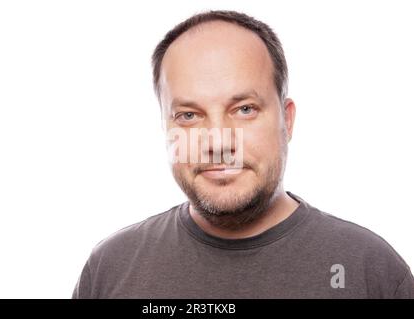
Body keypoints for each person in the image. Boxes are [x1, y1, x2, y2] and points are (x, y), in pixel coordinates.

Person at [72, 10, 413, 298]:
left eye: (245, 109)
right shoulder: (110, 269)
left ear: (287, 120)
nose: (218, 143)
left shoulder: (372, 271)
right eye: (189, 115)